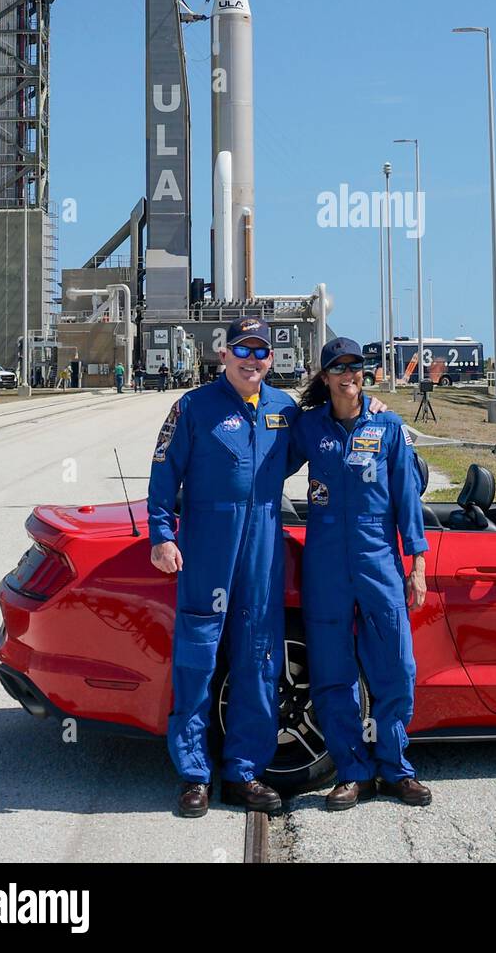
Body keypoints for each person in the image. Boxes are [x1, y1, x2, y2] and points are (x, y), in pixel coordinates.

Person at [147, 318, 302, 819]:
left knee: (259, 656)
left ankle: (244, 772)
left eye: (260, 352)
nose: (251, 359)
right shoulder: (192, 407)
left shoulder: (285, 409)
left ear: (271, 359)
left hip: (262, 543)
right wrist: (162, 535)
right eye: (242, 350)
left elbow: (325, 437)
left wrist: (370, 409)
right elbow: (163, 472)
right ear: (224, 355)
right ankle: (194, 775)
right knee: (197, 657)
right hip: (207, 543)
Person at [290, 336, 432, 811]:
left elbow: (408, 501)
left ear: (363, 373)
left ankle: (395, 768)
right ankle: (352, 771)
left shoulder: (389, 428)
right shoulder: (309, 427)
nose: (349, 374)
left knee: (396, 666)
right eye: (338, 368)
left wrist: (417, 564)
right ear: (325, 376)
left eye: (355, 367)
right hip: (326, 562)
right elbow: (264, 458)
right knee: (333, 672)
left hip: (378, 560)